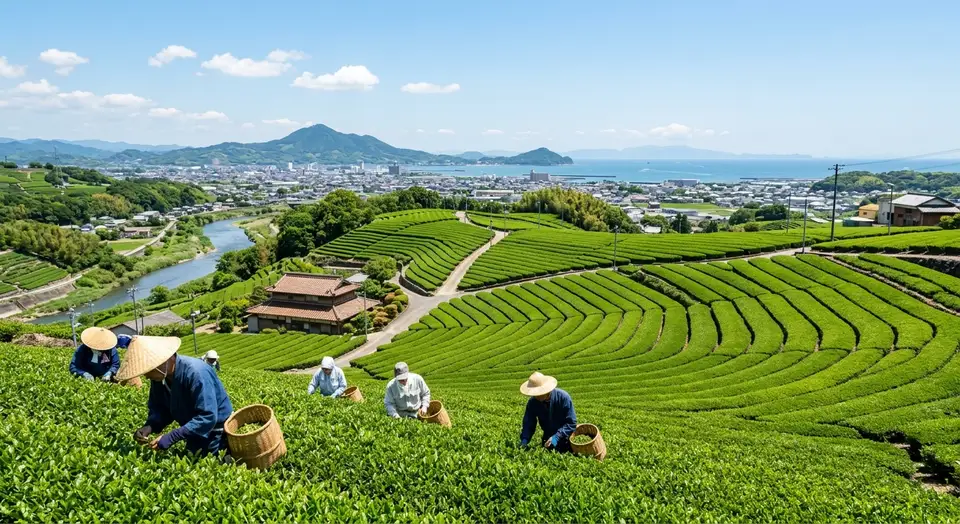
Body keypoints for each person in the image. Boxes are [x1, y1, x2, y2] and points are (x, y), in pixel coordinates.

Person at [115, 335, 233, 456]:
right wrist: (150, 426)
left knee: (206, 463)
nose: (146, 376)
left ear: (163, 362)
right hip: (193, 429)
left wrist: (172, 436)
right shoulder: (160, 377)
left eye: (148, 371)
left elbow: (207, 416)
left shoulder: (196, 373)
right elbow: (161, 408)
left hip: (214, 431)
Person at [519, 372, 577, 453]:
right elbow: (529, 423)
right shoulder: (533, 402)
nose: (536, 396)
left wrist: (557, 436)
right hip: (547, 440)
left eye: (538, 393)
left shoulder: (563, 397)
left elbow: (571, 423)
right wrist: (524, 439)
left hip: (567, 439)